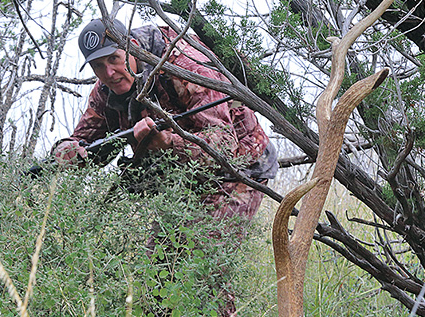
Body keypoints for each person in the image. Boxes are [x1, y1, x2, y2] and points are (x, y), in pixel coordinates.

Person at [53, 18, 278, 224]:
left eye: (114, 59)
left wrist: (170, 143)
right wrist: (67, 149)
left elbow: (224, 144)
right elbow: (84, 143)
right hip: (185, 180)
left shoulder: (186, 67)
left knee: (200, 262)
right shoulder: (106, 88)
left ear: (132, 46)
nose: (109, 73)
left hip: (240, 169)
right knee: (158, 265)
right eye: (98, 66)